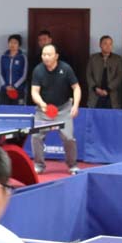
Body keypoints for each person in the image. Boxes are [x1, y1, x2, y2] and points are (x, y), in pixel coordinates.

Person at [30, 43, 82, 175]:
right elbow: (34, 91)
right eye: (44, 54)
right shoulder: (38, 70)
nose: (46, 57)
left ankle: (72, 165)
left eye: (49, 54)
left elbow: (76, 88)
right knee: (36, 136)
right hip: (44, 110)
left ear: (56, 56)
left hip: (64, 109)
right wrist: (42, 104)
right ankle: (39, 165)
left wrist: (75, 105)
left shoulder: (66, 68)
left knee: (69, 138)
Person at [85, 35, 122, 109]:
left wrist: (108, 89)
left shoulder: (117, 59)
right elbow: (88, 75)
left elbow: (119, 76)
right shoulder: (93, 58)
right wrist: (95, 88)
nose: (108, 46)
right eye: (105, 43)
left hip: (111, 94)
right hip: (95, 94)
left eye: (110, 44)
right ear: (100, 45)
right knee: (95, 114)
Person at [0, 34, 27, 106]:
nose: (12, 44)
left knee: (18, 111)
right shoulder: (3, 57)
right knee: (3, 111)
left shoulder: (22, 57)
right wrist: (5, 86)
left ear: (19, 45)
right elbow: (0, 73)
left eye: (15, 43)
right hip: (5, 90)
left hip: (19, 90)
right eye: (10, 42)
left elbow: (24, 75)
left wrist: (15, 86)